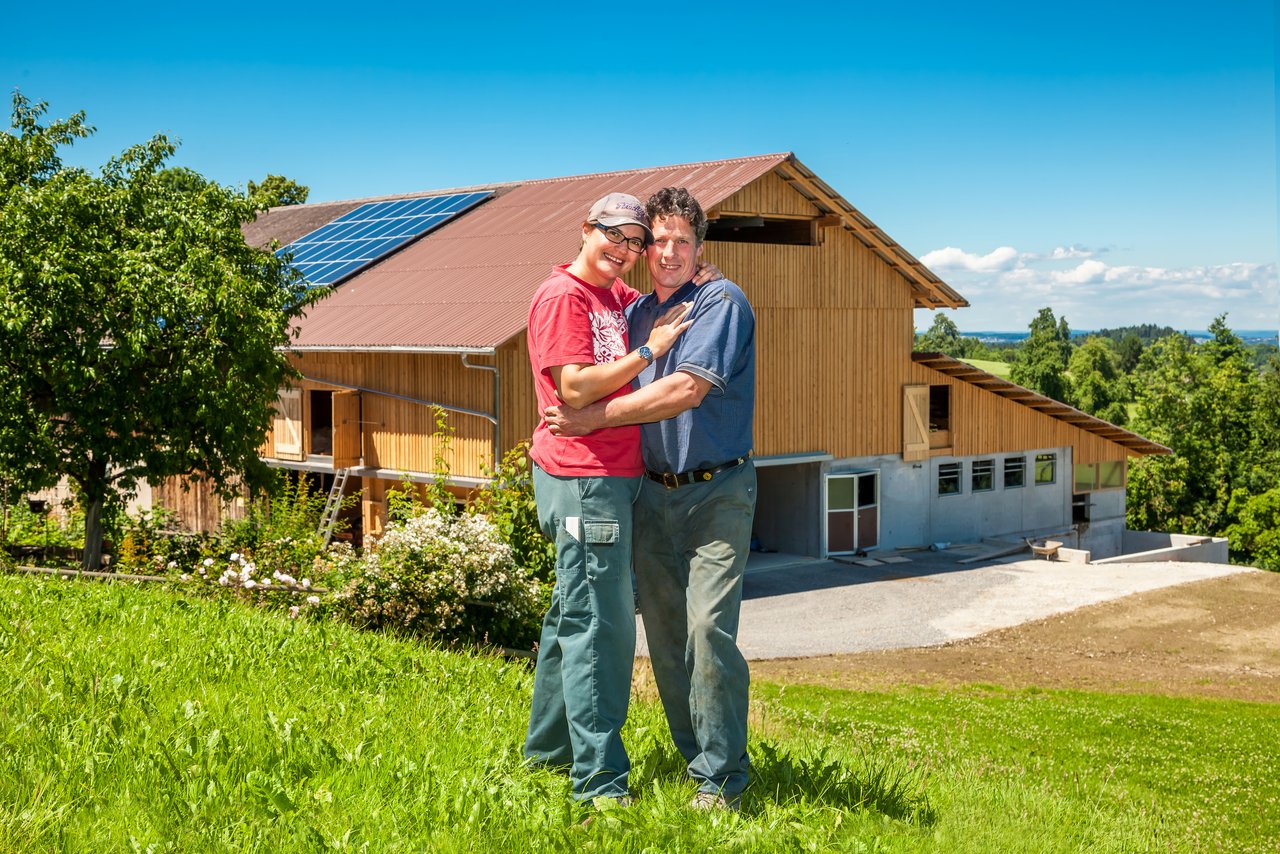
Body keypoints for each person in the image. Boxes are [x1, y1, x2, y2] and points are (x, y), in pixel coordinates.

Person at [544, 187, 757, 811]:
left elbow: (685, 391)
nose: (666, 253)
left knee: (708, 630)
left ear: (700, 248)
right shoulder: (636, 313)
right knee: (665, 639)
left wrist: (594, 418)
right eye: (656, 241)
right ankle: (698, 762)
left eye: (681, 243)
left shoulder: (720, 301)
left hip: (716, 492)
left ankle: (723, 781)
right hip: (651, 495)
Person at [522, 192, 693, 805]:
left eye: (633, 242)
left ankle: (546, 752)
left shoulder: (613, 295)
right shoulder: (564, 296)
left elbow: (665, 293)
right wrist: (650, 352)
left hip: (609, 476)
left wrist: (700, 272)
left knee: (573, 612)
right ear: (586, 229)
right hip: (582, 478)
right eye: (613, 237)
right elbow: (572, 386)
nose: (623, 252)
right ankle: (598, 783)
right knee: (602, 624)